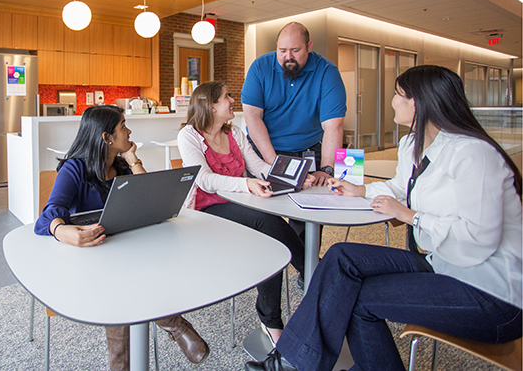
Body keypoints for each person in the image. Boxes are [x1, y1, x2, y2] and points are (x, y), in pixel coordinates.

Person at [246, 65, 522, 371]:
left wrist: (409, 216)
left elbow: (479, 239)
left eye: (397, 94)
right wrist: (359, 189)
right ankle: (292, 361)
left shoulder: (473, 154)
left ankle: (291, 363)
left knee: (354, 299)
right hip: (442, 261)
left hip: (491, 293)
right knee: (341, 256)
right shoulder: (412, 144)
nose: (392, 101)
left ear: (417, 102)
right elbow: (400, 187)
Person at [35, 104, 209, 371]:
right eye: (123, 126)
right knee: (126, 284)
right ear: (107, 137)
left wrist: (132, 159)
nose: (129, 131)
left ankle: (122, 363)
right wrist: (62, 230)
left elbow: (150, 200)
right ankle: (174, 325)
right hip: (89, 257)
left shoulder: (120, 166)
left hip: (123, 251)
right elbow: (49, 214)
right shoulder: (74, 169)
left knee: (138, 273)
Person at [177, 81, 312, 345]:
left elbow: (259, 167)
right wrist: (246, 183)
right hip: (206, 213)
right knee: (268, 222)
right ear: (210, 106)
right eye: (226, 97)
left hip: (242, 206)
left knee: (270, 239)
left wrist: (292, 179)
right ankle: (311, 271)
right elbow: (203, 179)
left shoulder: (235, 133)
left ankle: (273, 318)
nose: (232, 100)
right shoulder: (189, 136)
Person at [241, 21, 346, 241]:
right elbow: (253, 117)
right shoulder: (260, 67)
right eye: (282, 51)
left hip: (308, 151)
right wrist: (274, 164)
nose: (288, 56)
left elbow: (333, 126)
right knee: (264, 217)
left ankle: (305, 271)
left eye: (295, 50)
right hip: (266, 152)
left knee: (307, 218)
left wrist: (326, 169)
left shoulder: (327, 72)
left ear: (309, 46)